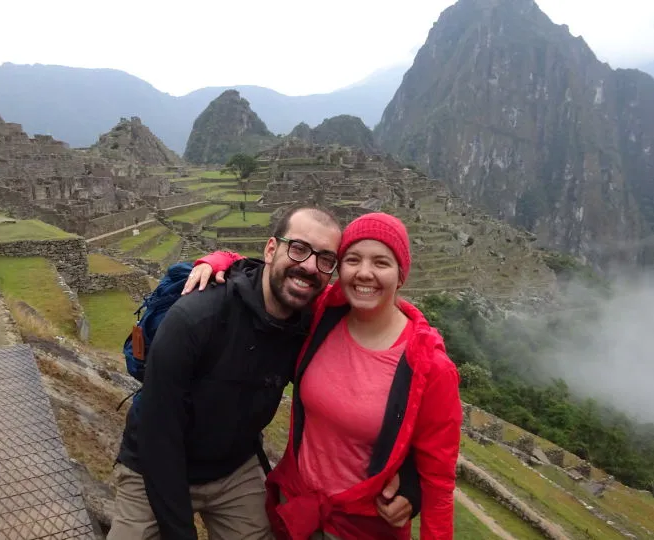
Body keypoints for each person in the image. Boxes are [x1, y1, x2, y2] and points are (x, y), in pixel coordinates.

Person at [109, 206, 419, 540]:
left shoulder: (311, 324)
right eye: (298, 249)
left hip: (233, 469)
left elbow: (371, 388)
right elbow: (159, 434)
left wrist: (410, 478)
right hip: (153, 465)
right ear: (271, 249)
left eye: (326, 259)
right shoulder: (195, 319)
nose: (310, 266)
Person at [188, 212, 462, 539]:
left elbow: (439, 481)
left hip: (362, 528)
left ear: (401, 275)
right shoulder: (321, 314)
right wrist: (218, 260)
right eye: (353, 259)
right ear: (339, 267)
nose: (364, 273)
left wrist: (412, 485)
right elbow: (271, 273)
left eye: (381, 263)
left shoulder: (430, 365)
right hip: (296, 510)